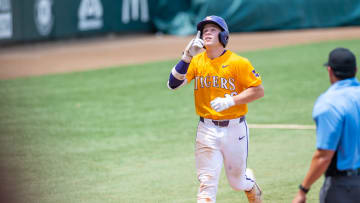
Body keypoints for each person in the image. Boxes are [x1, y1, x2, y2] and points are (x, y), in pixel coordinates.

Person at [167, 15, 264, 203]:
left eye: (213, 29)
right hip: (207, 130)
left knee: (237, 182)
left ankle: (250, 184)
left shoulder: (238, 62)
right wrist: (186, 57)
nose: (207, 32)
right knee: (206, 187)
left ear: (224, 36)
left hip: (235, 130)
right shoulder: (196, 61)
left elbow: (258, 91)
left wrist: (232, 101)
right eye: (204, 30)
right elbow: (173, 84)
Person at [292, 47, 360, 203]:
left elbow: (323, 156)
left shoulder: (329, 103)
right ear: (355, 70)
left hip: (344, 188)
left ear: (330, 70)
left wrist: (303, 190)